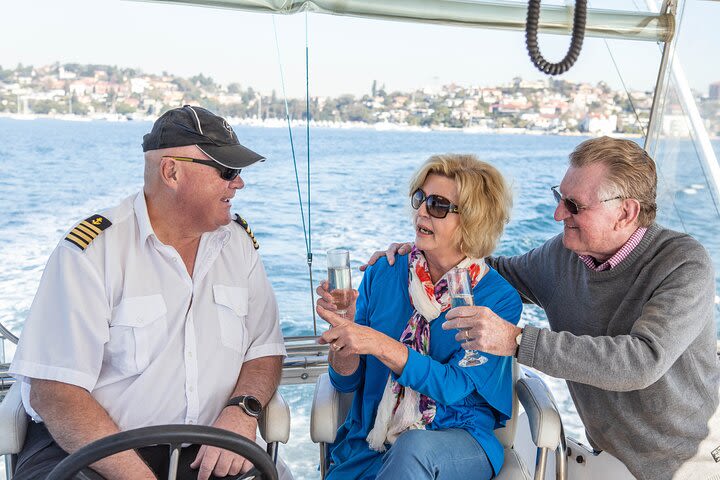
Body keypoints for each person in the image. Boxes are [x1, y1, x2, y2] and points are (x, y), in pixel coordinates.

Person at [368, 137, 720, 480]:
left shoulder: (683, 263)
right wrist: (423, 253)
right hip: (610, 457)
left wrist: (518, 342)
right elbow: (490, 273)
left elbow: (641, 361)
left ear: (625, 212)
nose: (557, 214)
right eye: (559, 198)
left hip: (688, 462)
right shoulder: (564, 255)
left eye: (574, 206)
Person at [9, 105, 291, 480]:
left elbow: (263, 350)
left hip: (208, 450)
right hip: (89, 448)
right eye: (226, 171)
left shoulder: (238, 246)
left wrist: (242, 410)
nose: (237, 183)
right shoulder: (92, 252)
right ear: (171, 171)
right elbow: (55, 391)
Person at [315, 154, 522, 480]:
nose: (422, 211)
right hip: (370, 442)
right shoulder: (384, 272)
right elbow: (346, 381)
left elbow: (454, 387)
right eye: (420, 199)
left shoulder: (497, 299)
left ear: (472, 219)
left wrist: (378, 343)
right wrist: (344, 335)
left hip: (458, 438)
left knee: (412, 448)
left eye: (438, 205)